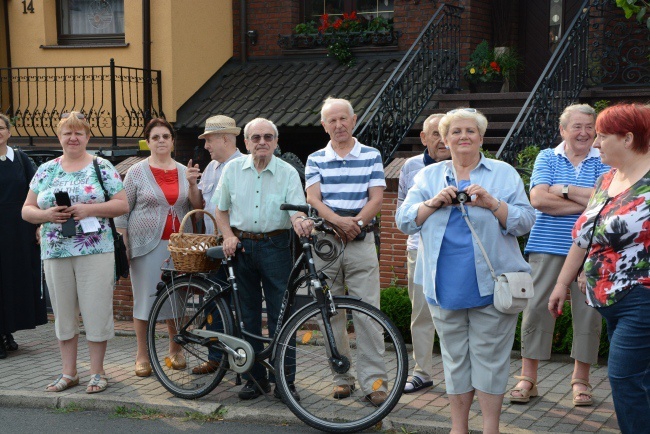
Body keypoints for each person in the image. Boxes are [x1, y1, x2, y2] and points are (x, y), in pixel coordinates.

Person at [396, 108, 535, 434]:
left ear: (481, 137)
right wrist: (432, 204)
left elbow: (526, 220)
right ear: (444, 139)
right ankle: (458, 429)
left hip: (492, 285)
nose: (463, 137)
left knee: (491, 361)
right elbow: (403, 220)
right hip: (443, 286)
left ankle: (490, 429)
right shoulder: (427, 177)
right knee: (455, 361)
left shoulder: (503, 173)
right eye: (455, 131)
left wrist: (492, 204)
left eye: (470, 131)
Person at [549, 103, 650, 434]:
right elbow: (584, 238)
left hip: (642, 298)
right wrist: (561, 284)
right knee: (640, 379)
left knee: (623, 376)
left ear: (628, 138)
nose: (594, 143)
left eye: (603, 136)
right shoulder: (607, 179)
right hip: (607, 301)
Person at [22, 111, 128, 393]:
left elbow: (122, 204)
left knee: (95, 309)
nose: (73, 138)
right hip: (55, 250)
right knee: (64, 313)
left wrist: (88, 209)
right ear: (59, 137)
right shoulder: (46, 169)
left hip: (95, 249)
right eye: (67, 133)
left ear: (87, 137)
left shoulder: (102, 166)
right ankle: (69, 373)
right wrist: (46, 215)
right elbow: (26, 210)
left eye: (78, 133)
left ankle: (97, 372)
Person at [511, 104, 609, 406]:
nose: (583, 133)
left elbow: (606, 199)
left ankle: (581, 380)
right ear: (562, 130)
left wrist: (563, 188)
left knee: (588, 313)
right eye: (576, 127)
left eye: (589, 127)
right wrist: (589, 201)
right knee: (537, 308)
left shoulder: (603, 159)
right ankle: (528, 378)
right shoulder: (546, 156)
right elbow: (539, 199)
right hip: (547, 245)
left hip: (592, 247)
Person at [212, 117, 312, 401]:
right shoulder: (232, 169)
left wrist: (302, 222)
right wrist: (228, 235)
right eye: (255, 138)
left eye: (268, 137)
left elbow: (296, 211)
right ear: (246, 143)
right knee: (248, 317)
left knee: (283, 316)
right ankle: (253, 379)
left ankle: (284, 381)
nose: (262, 142)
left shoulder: (288, 172)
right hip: (241, 247)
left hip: (276, 246)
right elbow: (221, 210)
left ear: (276, 142)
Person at [305, 97, 389, 407]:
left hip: (361, 242)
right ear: (324, 125)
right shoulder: (315, 158)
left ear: (353, 121)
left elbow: (377, 198)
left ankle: (375, 383)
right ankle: (341, 378)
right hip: (326, 244)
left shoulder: (371, 155)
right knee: (331, 314)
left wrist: (357, 223)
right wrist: (339, 222)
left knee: (368, 315)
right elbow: (313, 198)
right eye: (332, 120)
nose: (339, 125)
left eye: (344, 119)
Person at [115, 118, 202, 378]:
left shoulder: (183, 170)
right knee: (145, 300)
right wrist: (125, 245)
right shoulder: (136, 172)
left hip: (179, 247)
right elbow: (122, 212)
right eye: (156, 137)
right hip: (145, 247)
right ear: (148, 141)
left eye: (165, 136)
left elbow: (197, 211)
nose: (161, 140)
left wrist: (194, 185)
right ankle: (142, 355)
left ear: (173, 141)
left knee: (176, 301)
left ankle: (175, 350)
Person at [397, 113, 450, 393]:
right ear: (424, 138)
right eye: (435, 133)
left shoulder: (465, 166)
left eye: (446, 132)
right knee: (421, 314)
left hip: (455, 251)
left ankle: (461, 374)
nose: (442, 140)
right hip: (419, 250)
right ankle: (422, 372)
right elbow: (401, 211)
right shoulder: (410, 167)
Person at [186, 114, 242, 375]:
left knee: (237, 303)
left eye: (209, 140)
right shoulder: (212, 167)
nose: (206, 146)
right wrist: (192, 184)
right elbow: (199, 207)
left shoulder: (243, 165)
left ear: (224, 138)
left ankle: (235, 357)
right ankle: (216, 357)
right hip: (213, 247)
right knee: (213, 302)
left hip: (233, 246)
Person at [0, 114, 47, 360]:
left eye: (1, 128)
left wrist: (39, 224)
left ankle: (8, 331)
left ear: (9, 132)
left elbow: (38, 192)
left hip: (19, 231)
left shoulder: (21, 159)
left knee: (14, 281)